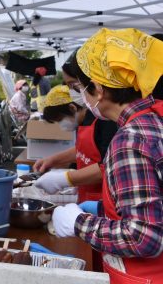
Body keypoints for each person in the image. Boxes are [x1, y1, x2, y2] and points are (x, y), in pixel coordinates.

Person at [51, 28, 163, 283]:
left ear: (98, 88)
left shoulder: (130, 140)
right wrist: (102, 209)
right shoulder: (154, 120)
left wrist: (78, 223)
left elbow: (144, 237)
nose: (81, 96)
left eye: (81, 87)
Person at [33, 84, 117, 203]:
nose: (60, 125)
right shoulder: (81, 123)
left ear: (72, 108)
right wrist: (52, 160)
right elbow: (83, 151)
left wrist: (65, 179)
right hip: (86, 193)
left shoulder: (105, 122)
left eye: (60, 120)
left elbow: (107, 168)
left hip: (103, 198)